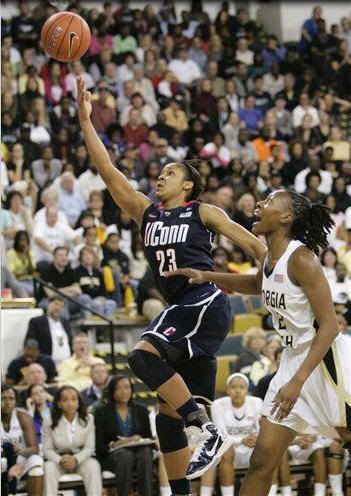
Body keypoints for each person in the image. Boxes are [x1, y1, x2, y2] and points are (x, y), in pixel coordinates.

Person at [77, 75, 266, 489]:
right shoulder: (147, 212)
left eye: (168, 172)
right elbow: (107, 170)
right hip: (181, 310)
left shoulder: (204, 211)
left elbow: (254, 244)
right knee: (166, 418)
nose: (158, 177)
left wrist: (281, 274)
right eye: (159, 172)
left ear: (188, 184)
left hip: (203, 303)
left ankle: (207, 427)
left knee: (141, 358)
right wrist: (85, 119)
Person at [168, 189, 351, 496]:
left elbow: (330, 327)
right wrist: (206, 276)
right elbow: (256, 284)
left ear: (286, 217)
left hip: (328, 364)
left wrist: (297, 382)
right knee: (262, 460)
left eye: (268, 202)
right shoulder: (270, 258)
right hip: (294, 360)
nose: (259, 205)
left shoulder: (303, 260)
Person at [200, 373, 292, 496]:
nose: (237, 391)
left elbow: (262, 430)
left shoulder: (256, 402)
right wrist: (242, 440)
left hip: (252, 449)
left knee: (270, 451)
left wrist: (255, 439)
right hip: (231, 451)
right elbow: (221, 436)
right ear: (227, 390)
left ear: (247, 390)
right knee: (226, 451)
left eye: (241, 387)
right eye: (234, 387)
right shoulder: (218, 405)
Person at [94, 374, 154, 496]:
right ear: (111, 391)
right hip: (112, 457)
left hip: (138, 453)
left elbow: (149, 437)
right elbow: (99, 446)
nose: (123, 391)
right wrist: (116, 444)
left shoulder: (141, 410)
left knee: (146, 452)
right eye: (118, 388)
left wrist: (139, 439)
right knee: (124, 455)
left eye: (127, 387)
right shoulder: (101, 412)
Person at [42, 386, 102, 496]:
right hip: (58, 460)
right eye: (65, 400)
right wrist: (61, 460)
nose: (70, 403)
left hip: (80, 459)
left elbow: (89, 447)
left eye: (74, 399)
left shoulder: (88, 419)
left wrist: (75, 459)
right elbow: (47, 449)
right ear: (59, 403)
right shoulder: (49, 421)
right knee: (48, 467)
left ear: (78, 402)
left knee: (93, 465)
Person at [1, 385, 44, 496]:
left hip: (20, 459)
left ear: (16, 401)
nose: (7, 402)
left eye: (11, 398)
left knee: (36, 462)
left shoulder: (23, 416)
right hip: (2, 460)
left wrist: (20, 451)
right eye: (3, 398)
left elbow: (35, 448)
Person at [25, 295, 72, 364]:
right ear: (48, 305)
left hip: (67, 364)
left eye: (61, 306)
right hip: (47, 364)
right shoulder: (37, 322)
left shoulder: (65, 322)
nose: (58, 308)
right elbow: (30, 342)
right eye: (56, 304)